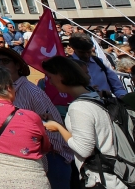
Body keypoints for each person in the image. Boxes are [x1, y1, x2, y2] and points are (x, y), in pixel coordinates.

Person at [0, 46, 73, 189]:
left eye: (5, 61)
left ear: (18, 65)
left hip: (49, 158)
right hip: (18, 158)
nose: (0, 64)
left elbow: (52, 128)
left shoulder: (31, 91)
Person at [41, 56, 124, 189]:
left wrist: (58, 128)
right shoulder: (94, 97)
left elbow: (83, 149)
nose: (50, 83)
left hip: (102, 179)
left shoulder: (79, 107)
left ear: (61, 76)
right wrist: (60, 126)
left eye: (50, 77)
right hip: (114, 175)